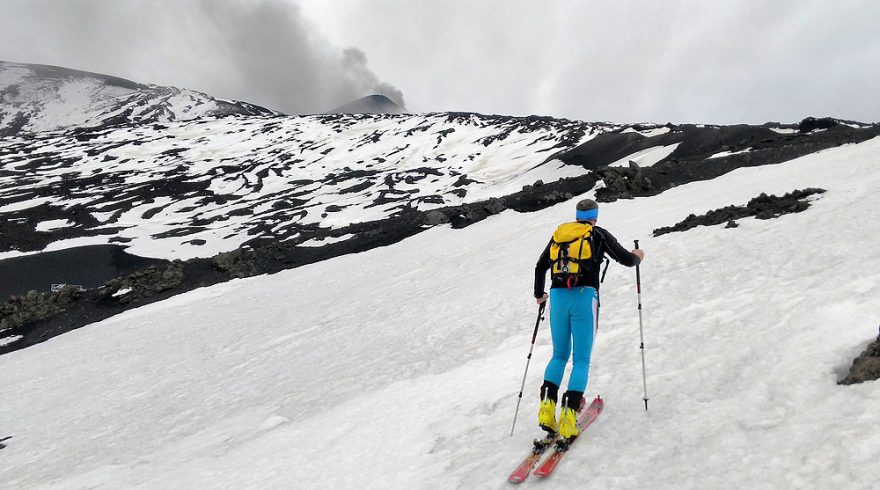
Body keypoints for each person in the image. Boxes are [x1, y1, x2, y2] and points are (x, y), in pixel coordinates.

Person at [533, 198, 644, 439]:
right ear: (595, 216)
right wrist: (638, 256)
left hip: (557, 297)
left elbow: (540, 266)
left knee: (559, 355)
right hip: (584, 297)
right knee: (581, 360)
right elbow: (626, 259)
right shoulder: (597, 234)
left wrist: (539, 294)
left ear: (576, 215)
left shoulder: (560, 235)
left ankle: (546, 410)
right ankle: (568, 418)